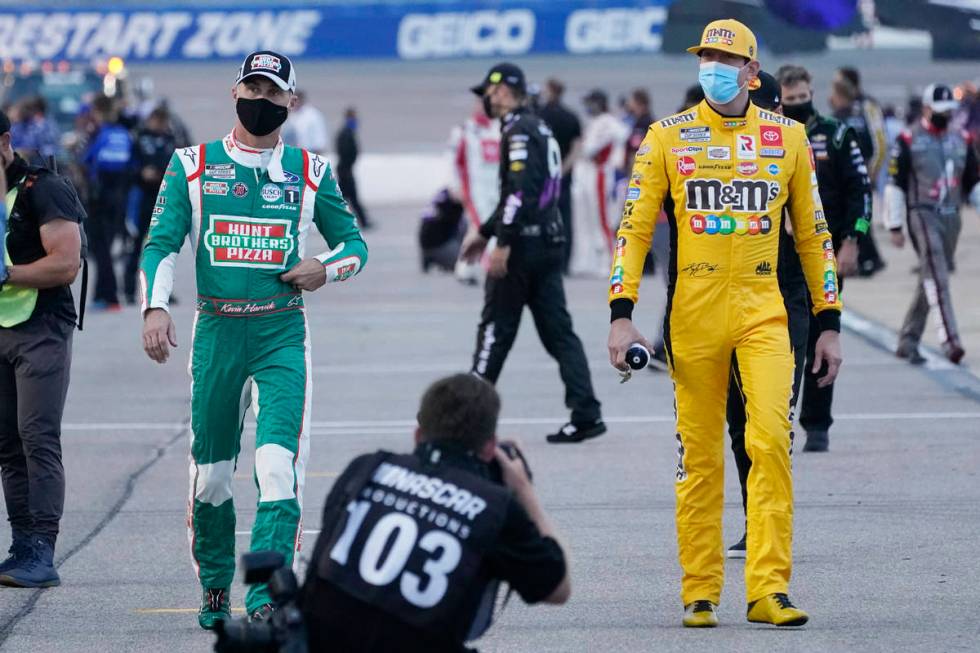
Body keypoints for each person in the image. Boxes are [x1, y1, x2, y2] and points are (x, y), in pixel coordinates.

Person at [608, 19, 844, 627]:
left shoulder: (788, 138)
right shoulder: (666, 137)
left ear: (751, 71)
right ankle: (701, 590)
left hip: (765, 311)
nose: (710, 65)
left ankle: (769, 589)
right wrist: (621, 315)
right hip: (694, 313)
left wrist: (829, 320)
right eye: (704, 55)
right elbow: (634, 231)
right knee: (700, 455)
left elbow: (815, 236)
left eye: (723, 57)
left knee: (769, 442)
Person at [139, 50, 368, 629]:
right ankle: (215, 586)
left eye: (273, 95)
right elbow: (160, 244)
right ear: (233, 91)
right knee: (212, 473)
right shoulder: (191, 165)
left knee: (277, 466)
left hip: (280, 333)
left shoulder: (310, 170)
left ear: (291, 102)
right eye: (253, 90)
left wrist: (324, 267)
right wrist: (154, 307)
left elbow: (355, 246)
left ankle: (267, 594)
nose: (260, 102)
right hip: (215, 333)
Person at [302, 373, 570, 652]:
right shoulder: (493, 506)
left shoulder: (365, 470)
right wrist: (524, 489)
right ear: (490, 448)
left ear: (418, 435)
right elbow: (557, 588)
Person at [725, 66, 872, 559]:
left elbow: (817, 239)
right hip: (726, 303)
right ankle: (752, 515)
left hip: (786, 299)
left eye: (764, 106)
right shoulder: (712, 153)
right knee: (739, 423)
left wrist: (830, 320)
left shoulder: (795, 150)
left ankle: (767, 523)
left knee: (770, 423)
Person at [460, 63, 605, 444]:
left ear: (504, 90)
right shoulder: (537, 123)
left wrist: (502, 242)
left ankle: (467, 422)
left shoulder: (519, 129)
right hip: (547, 242)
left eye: (488, 93)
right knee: (560, 333)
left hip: (523, 247)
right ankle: (586, 412)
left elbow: (521, 191)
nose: (486, 101)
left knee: (495, 328)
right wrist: (485, 231)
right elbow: (522, 192)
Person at [0, 109, 85, 588]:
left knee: (37, 438)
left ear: (5, 142)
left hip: (41, 326)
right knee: (7, 444)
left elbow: (66, 264)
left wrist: (8, 273)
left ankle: (43, 551)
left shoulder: (41, 189)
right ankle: (21, 545)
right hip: (1, 326)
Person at [886, 83, 979, 365]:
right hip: (922, 212)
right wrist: (895, 224)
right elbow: (895, 185)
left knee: (933, 277)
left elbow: (973, 181)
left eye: (949, 111)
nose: (945, 115)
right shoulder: (908, 139)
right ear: (926, 109)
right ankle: (950, 341)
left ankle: (908, 339)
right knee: (936, 270)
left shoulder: (961, 138)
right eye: (940, 111)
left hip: (951, 215)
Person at [833, 67, 886, 277]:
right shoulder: (839, 109)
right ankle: (866, 257)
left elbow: (880, 141)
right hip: (846, 173)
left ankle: (870, 258)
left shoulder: (868, 106)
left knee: (861, 214)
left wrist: (873, 170)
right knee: (856, 214)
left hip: (864, 169)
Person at [82, 95, 132, 311]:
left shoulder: (101, 134)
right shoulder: (124, 134)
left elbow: (87, 160)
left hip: (99, 198)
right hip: (120, 198)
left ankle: (109, 296)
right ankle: (101, 294)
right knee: (106, 248)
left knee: (100, 249)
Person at [570, 90, 628, 278]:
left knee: (604, 219)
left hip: (602, 174)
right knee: (590, 219)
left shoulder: (608, 123)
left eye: (590, 103)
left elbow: (589, 149)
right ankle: (591, 260)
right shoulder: (595, 122)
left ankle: (611, 260)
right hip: (589, 175)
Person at [124, 107, 176, 305]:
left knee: (163, 247)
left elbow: (175, 166)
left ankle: (163, 291)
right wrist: (141, 174)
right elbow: (128, 166)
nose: (159, 125)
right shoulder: (138, 139)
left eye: (163, 122)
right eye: (157, 121)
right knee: (134, 245)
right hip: (141, 199)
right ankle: (129, 291)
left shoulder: (170, 140)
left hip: (163, 200)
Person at [449, 101, 501, 284]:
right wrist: (455, 185)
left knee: (477, 227)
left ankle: (465, 268)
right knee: (484, 226)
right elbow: (454, 161)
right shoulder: (464, 130)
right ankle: (491, 267)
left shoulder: (498, 128)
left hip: (496, 188)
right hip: (475, 189)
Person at [537, 79, 583, 274]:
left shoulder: (539, 116)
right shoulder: (571, 117)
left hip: (543, 177)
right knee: (565, 220)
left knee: (544, 219)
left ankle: (547, 261)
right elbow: (577, 149)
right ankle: (565, 264)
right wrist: (563, 170)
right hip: (564, 178)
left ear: (549, 91)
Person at [335, 107, 372, 229]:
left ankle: (361, 222)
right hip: (345, 171)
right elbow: (345, 152)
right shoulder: (346, 134)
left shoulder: (347, 133)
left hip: (346, 170)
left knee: (345, 199)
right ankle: (362, 222)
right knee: (346, 199)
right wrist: (347, 169)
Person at [281, 90, 330, 154]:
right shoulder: (291, 115)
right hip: (292, 153)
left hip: (309, 153)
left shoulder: (313, 115)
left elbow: (319, 141)